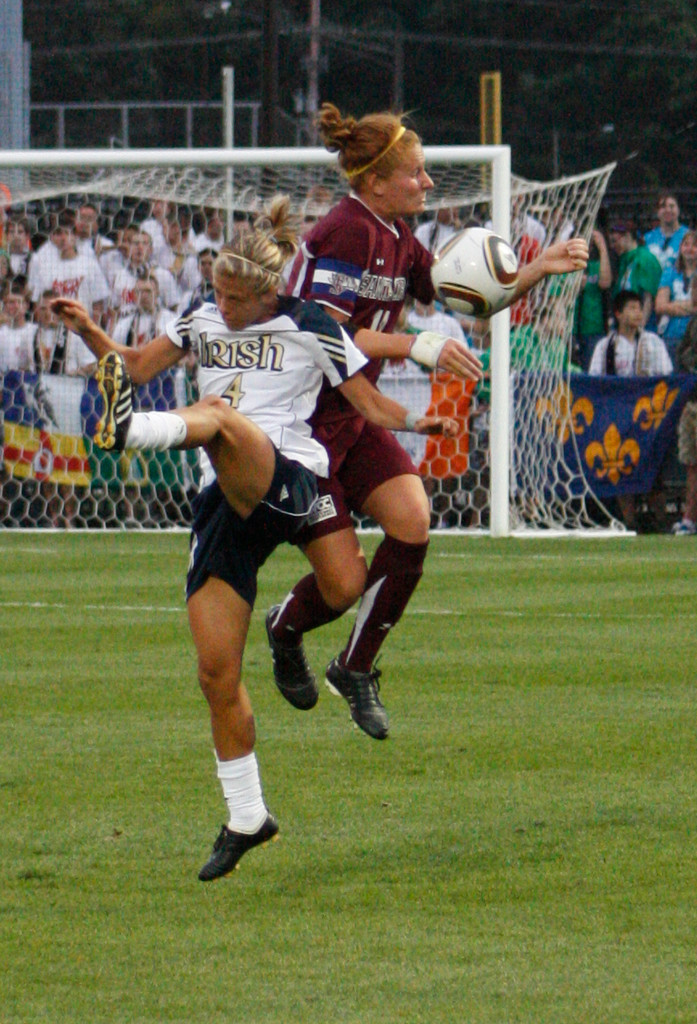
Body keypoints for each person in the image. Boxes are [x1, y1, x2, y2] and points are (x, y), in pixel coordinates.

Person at [50, 195, 458, 881]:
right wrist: (92, 329)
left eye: (236, 297)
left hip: (295, 478)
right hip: (231, 496)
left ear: (269, 291)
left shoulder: (312, 324)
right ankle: (247, 816)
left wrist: (417, 425)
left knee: (341, 582)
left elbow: (366, 403)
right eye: (217, 291)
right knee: (215, 672)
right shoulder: (201, 320)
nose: (223, 305)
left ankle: (137, 437)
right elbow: (133, 367)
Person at [274, 101, 589, 740]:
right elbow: (326, 330)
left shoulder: (394, 234)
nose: (429, 182)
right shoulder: (346, 230)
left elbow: (459, 295)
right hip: (300, 426)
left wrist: (536, 268)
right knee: (342, 585)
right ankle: (284, 628)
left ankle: (354, 667)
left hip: (353, 417)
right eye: (417, 172)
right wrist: (418, 346)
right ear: (375, 182)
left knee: (414, 523)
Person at [589, 289, 673, 531]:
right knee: (621, 468)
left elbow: (666, 378)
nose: (638, 313)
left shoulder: (653, 343)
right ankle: (629, 521)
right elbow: (596, 381)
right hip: (619, 420)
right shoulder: (606, 347)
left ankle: (660, 519)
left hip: (647, 420)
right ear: (618, 313)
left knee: (654, 469)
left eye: (639, 308)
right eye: (632, 308)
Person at [653, 229, 697, 364]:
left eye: (694, 245)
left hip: (694, 339)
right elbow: (660, 306)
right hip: (670, 336)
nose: (689, 249)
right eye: (686, 244)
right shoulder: (669, 272)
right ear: (680, 247)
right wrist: (690, 306)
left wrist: (673, 304)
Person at [608, 220, 662, 327]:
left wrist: (640, 328)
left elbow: (648, 298)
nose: (613, 246)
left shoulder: (645, 259)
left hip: (643, 325)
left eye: (615, 241)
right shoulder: (624, 260)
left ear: (627, 236)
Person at [573, 226, 612, 370]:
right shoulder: (564, 266)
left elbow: (605, 282)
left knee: (593, 370)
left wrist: (602, 247)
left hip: (594, 329)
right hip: (572, 330)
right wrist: (575, 289)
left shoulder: (595, 266)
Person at [643, 192, 689, 274]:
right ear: (657, 211)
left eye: (672, 206)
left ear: (678, 209)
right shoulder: (647, 238)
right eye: (663, 206)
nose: (668, 210)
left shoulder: (689, 236)